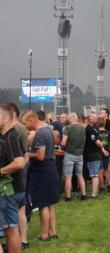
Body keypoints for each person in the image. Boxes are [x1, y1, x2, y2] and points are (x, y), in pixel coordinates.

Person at [21, 110, 60, 242]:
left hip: (43, 171)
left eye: (25, 123)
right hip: (50, 168)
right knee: (50, 204)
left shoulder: (40, 133)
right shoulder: (48, 129)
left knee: (43, 204)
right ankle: (52, 232)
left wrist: (27, 154)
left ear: (32, 120)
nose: (24, 126)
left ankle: (44, 235)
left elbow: (40, 156)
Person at [0, 104, 26, 253]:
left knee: (11, 230)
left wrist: (1, 171)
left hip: (9, 190)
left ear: (5, 118)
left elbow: (20, 162)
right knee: (10, 229)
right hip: (12, 188)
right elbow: (25, 155)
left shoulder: (10, 137)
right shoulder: (7, 136)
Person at [6, 103, 29, 248]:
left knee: (16, 210)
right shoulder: (20, 128)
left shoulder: (15, 130)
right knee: (20, 207)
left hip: (15, 170)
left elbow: (20, 154)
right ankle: (23, 240)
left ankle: (20, 240)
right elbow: (25, 153)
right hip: (20, 167)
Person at [60, 113, 87, 201]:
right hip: (80, 154)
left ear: (71, 119)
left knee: (68, 177)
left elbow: (63, 142)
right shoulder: (83, 128)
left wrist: (63, 147)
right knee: (80, 175)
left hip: (69, 154)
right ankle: (83, 195)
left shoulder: (68, 128)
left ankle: (68, 197)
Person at [84, 114, 108, 198]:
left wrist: (103, 149)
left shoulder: (90, 129)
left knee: (94, 175)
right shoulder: (94, 128)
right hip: (93, 154)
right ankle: (93, 193)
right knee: (94, 174)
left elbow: (97, 141)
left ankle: (94, 194)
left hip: (93, 154)